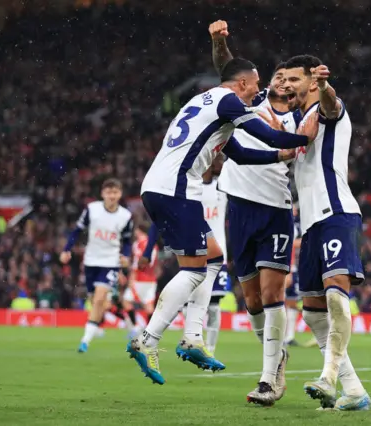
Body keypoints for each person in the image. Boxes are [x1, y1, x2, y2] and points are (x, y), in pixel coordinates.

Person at [127, 56, 318, 385]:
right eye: (255, 85)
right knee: (194, 270)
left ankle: (192, 337)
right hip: (176, 189)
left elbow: (242, 154)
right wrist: (304, 139)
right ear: (242, 83)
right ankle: (148, 339)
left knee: (213, 257)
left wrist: (278, 156)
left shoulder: (208, 103)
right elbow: (269, 135)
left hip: (162, 186)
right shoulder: (229, 102)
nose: (258, 92)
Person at [209, 20, 301, 405]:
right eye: (277, 75)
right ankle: (277, 357)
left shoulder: (304, 118)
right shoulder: (253, 100)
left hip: (276, 211)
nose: (281, 81)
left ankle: (268, 379)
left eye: (289, 78)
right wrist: (219, 41)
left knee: (271, 291)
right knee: (252, 301)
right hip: (238, 209)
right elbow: (228, 70)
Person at [282, 54, 370, 411]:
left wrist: (326, 87)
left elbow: (331, 105)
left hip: (336, 213)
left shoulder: (327, 110)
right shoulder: (298, 122)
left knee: (336, 298)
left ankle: (329, 377)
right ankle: (354, 390)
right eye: (283, 79)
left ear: (311, 82)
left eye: (293, 79)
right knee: (313, 311)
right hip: (311, 225)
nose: (287, 85)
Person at [60, 178, 133, 353]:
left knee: (99, 299)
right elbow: (77, 231)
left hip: (111, 262)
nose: (112, 196)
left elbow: (128, 240)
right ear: (103, 194)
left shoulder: (126, 216)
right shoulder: (92, 210)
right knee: (96, 301)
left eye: (115, 192)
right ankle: (118, 322)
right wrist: (66, 249)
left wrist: (126, 256)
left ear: (120, 194)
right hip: (91, 261)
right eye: (109, 192)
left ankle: (85, 341)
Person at [200, 155, 230, 355]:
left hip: (218, 253)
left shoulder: (224, 187)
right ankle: (194, 342)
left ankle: (210, 350)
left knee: (213, 305)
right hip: (193, 252)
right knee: (191, 303)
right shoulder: (190, 187)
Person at [122, 223, 160, 339]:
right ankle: (149, 332)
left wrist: (131, 276)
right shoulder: (153, 245)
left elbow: (139, 263)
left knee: (127, 302)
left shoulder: (138, 244)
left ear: (139, 231)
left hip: (139, 279)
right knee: (148, 306)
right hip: (150, 279)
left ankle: (135, 328)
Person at [284, 206, 302, 347]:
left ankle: (289, 336)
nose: (295, 210)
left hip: (292, 268)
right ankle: (280, 335)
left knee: (292, 302)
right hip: (285, 267)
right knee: (280, 301)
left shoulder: (295, 224)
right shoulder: (285, 223)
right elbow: (290, 245)